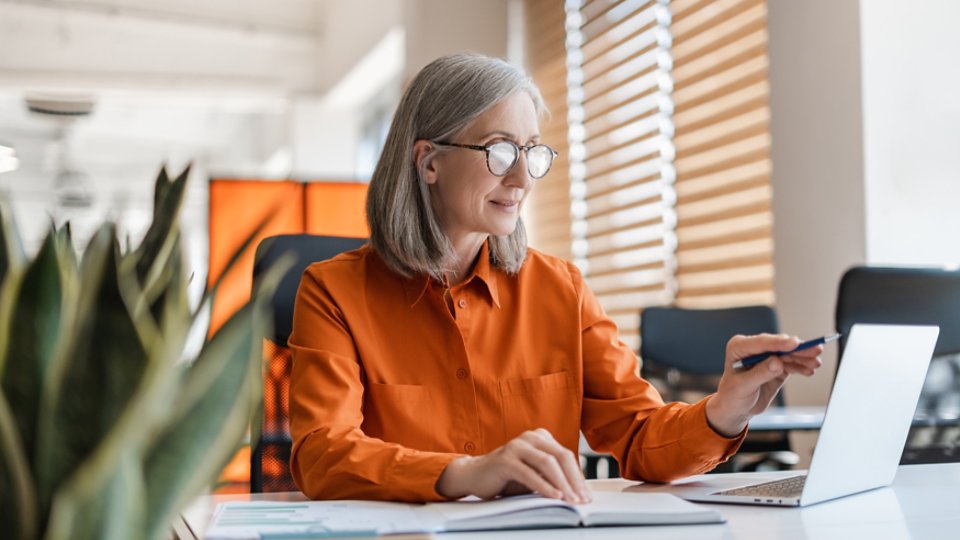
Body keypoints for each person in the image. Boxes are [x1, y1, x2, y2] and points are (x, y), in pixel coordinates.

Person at [288, 53, 822, 504]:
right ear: (429, 162)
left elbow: (639, 436)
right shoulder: (333, 292)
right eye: (499, 151)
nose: (521, 178)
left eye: (531, 152)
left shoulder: (559, 289)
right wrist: (462, 473)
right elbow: (321, 452)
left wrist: (724, 409)